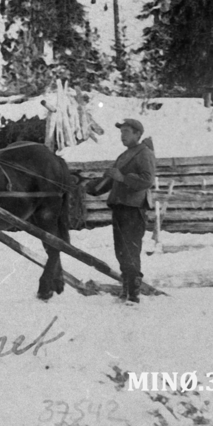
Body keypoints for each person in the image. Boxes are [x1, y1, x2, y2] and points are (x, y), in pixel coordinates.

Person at [86, 118, 156, 303]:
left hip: (133, 210)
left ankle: (133, 294)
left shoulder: (144, 153)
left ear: (137, 134)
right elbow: (107, 183)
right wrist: (86, 186)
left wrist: (123, 178)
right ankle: (126, 290)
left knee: (131, 251)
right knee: (122, 251)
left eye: (126, 131)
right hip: (120, 209)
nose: (122, 135)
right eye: (121, 132)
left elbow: (147, 180)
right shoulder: (124, 155)